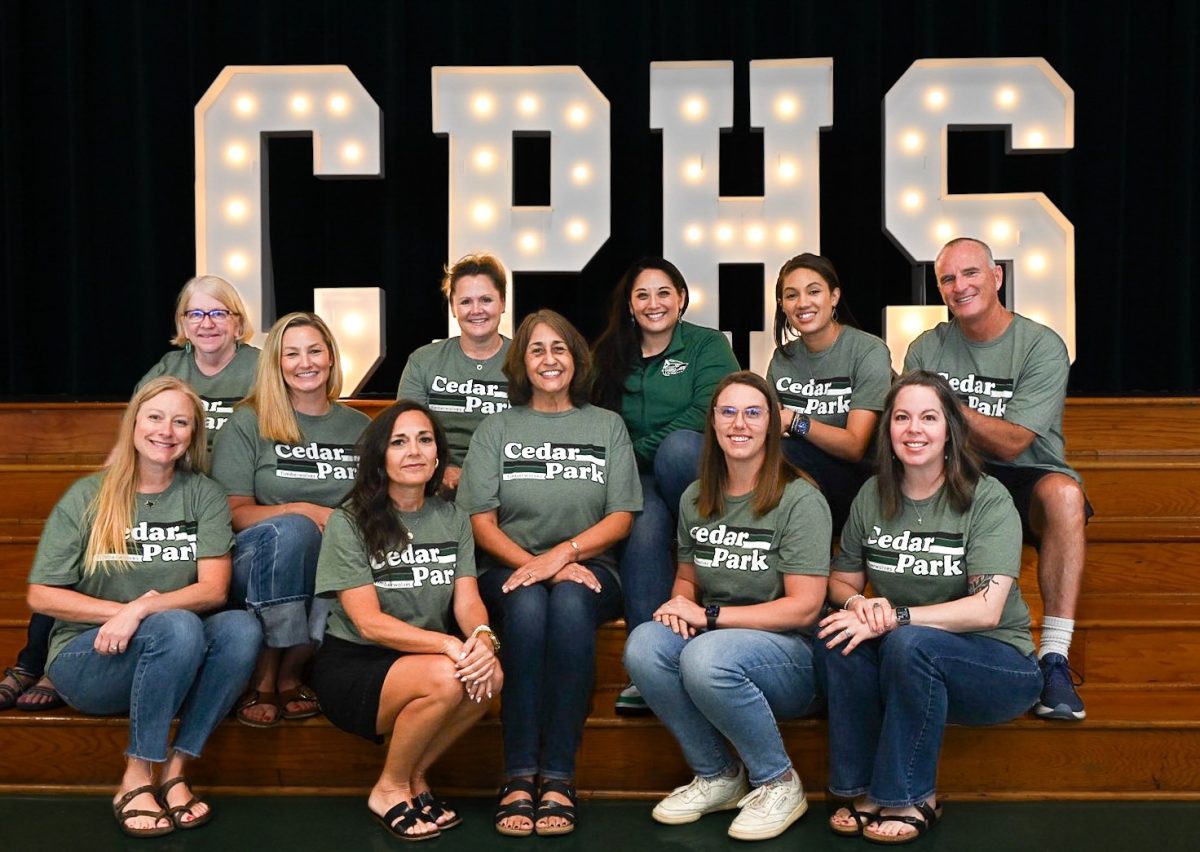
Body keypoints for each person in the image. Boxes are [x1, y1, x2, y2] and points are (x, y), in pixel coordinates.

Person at [2, 275, 259, 713]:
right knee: (83, 536)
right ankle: (38, 659)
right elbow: (135, 432)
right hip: (163, 482)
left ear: (237, 321)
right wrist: (108, 490)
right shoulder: (169, 367)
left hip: (227, 496)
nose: (207, 323)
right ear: (182, 322)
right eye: (195, 314)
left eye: (219, 313)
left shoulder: (258, 368)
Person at [25, 377, 261, 837]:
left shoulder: (204, 494)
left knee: (240, 628)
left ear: (194, 435)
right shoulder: (88, 495)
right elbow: (41, 596)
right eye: (155, 417)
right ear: (133, 424)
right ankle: (137, 773)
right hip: (90, 661)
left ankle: (175, 770)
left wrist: (139, 610)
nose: (166, 431)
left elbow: (214, 590)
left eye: (181, 422)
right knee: (176, 623)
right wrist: (123, 612)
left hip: (173, 657)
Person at [815, 371, 1042, 844]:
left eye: (928, 417)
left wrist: (894, 617)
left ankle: (912, 795)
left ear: (949, 431)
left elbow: (986, 610)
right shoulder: (872, 495)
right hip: (908, 662)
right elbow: (840, 582)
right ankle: (864, 789)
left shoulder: (987, 497)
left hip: (997, 666)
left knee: (909, 641)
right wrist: (860, 604)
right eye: (901, 417)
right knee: (841, 632)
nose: (914, 429)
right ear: (888, 430)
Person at [624, 372, 831, 842]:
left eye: (754, 412)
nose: (740, 423)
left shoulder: (799, 497)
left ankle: (778, 782)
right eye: (728, 412)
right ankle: (718, 775)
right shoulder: (696, 497)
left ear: (773, 424)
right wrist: (680, 604)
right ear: (713, 423)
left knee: (705, 654)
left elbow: (804, 608)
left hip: (791, 658)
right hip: (719, 646)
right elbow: (688, 579)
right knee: (644, 645)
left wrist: (711, 618)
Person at [458, 309, 642, 836]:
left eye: (559, 348)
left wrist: (564, 556)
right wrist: (538, 566)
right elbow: (481, 522)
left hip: (590, 570)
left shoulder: (606, 425)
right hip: (508, 571)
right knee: (529, 604)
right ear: (522, 362)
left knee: (565, 603)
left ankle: (558, 775)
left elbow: (622, 516)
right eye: (537, 350)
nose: (549, 359)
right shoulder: (497, 428)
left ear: (577, 358)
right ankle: (519, 774)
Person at [904, 237, 1090, 721]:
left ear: (997, 277)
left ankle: (1053, 658)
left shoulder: (1041, 344)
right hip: (954, 472)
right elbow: (912, 426)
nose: (959, 286)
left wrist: (946, 407)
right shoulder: (927, 346)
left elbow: (1013, 443)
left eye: (971, 274)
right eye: (947, 278)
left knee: (1066, 495)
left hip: (1025, 473)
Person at [311, 400, 502, 840]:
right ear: (380, 456)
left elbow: (467, 601)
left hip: (421, 659)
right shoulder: (349, 521)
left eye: (424, 439)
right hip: (356, 665)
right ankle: (388, 788)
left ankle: (414, 779)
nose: (413, 451)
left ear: (438, 454)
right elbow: (368, 624)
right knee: (447, 676)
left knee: (490, 677)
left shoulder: (452, 517)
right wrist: (450, 646)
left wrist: (482, 638)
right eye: (398, 442)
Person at [590, 257, 739, 714]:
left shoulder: (706, 345)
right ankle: (648, 668)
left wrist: (632, 453)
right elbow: (597, 421)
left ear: (680, 299)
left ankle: (703, 533)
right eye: (642, 295)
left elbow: (706, 411)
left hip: (698, 471)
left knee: (676, 448)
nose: (653, 304)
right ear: (630, 306)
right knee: (643, 526)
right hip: (641, 483)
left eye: (663, 293)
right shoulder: (609, 354)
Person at [212, 312, 369, 727]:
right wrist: (299, 511)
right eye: (291, 354)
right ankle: (269, 672)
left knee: (336, 543)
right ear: (276, 364)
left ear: (332, 358)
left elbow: (373, 508)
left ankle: (292, 668)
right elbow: (233, 512)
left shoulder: (359, 428)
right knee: (297, 532)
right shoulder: (249, 422)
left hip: (329, 561)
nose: (306, 362)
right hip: (253, 562)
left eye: (315, 351)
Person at [766, 253, 891, 536]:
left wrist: (796, 421)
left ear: (834, 296)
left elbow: (855, 446)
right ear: (782, 305)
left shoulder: (867, 350)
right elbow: (770, 427)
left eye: (814, 291)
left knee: (785, 453)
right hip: (797, 478)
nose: (803, 303)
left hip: (857, 482)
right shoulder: (782, 359)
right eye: (791, 295)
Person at [397, 253, 511, 495]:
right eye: (466, 302)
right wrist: (441, 469)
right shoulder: (424, 361)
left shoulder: (525, 361)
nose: (476, 310)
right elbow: (405, 430)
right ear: (452, 307)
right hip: (437, 484)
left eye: (486, 300)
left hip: (508, 483)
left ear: (502, 302)